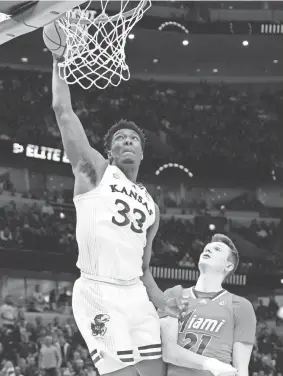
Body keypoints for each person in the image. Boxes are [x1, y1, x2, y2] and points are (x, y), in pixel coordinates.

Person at [52, 55, 170, 376]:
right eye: (120, 138)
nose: (127, 141)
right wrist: (59, 61)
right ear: (109, 152)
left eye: (133, 139)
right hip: (98, 290)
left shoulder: (151, 206)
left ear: (142, 153)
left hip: (135, 294)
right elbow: (64, 114)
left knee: (157, 372)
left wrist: (164, 303)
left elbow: (144, 270)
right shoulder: (97, 172)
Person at [159, 234, 257, 376]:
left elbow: (241, 369)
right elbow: (169, 352)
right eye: (206, 249)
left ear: (228, 266)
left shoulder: (242, 306)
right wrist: (211, 364)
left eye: (217, 249)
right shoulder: (174, 294)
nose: (208, 250)